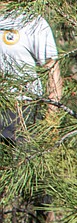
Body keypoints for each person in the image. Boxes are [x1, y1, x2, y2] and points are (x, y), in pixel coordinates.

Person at [0, 9, 62, 142]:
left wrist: (52, 119)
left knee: (23, 161)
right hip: (2, 105)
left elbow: (52, 68)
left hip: (25, 110)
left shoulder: (33, 23)